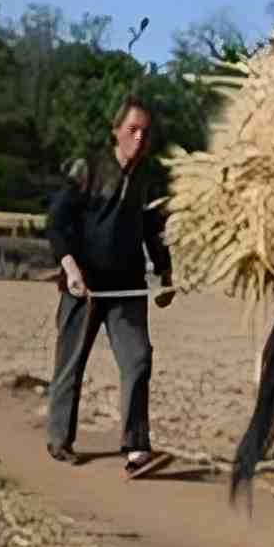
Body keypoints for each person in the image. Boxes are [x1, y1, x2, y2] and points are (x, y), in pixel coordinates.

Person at [43, 93, 174, 473]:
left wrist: (166, 275)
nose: (139, 140)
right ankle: (59, 439)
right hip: (83, 283)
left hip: (126, 286)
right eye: (132, 130)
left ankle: (136, 446)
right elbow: (56, 222)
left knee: (138, 359)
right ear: (116, 131)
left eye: (145, 134)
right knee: (71, 362)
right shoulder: (88, 169)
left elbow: (153, 232)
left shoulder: (147, 180)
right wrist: (70, 268)